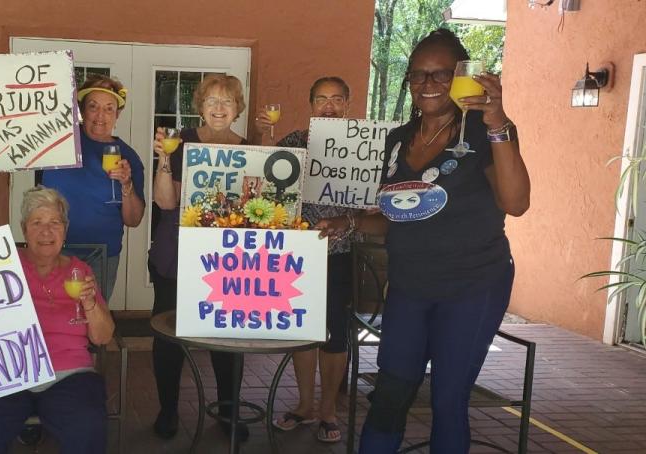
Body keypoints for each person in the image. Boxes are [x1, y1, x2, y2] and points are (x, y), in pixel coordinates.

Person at [317, 29, 529, 453]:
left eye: (441, 74)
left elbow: (517, 203)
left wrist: (498, 124)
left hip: (472, 285)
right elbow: (398, 217)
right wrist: (351, 223)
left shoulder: (487, 133)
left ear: (462, 77)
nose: (428, 84)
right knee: (391, 394)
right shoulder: (396, 142)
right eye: (418, 75)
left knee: (449, 399)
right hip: (411, 285)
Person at [0, 47, 145, 300]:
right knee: (47, 320)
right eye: (93, 106)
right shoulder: (56, 140)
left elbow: (134, 219)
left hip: (101, 256)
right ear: (82, 110)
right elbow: (5, 117)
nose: (100, 115)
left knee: (93, 326)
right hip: (49, 248)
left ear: (118, 114)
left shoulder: (129, 157)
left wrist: (126, 185)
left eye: (109, 108)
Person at [0, 186, 115, 454]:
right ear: (24, 229)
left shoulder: (80, 270)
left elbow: (103, 337)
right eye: (37, 222)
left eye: (54, 222)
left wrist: (89, 304)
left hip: (69, 375)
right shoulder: (1, 264)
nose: (46, 231)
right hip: (8, 374)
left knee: (88, 428)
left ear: (65, 229)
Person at [148, 74, 251, 441]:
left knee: (227, 338)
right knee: (168, 334)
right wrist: (163, 159)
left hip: (228, 258)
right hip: (177, 252)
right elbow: (165, 202)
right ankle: (168, 411)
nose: (219, 108)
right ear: (201, 107)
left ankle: (228, 412)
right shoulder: (182, 143)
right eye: (212, 101)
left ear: (237, 108)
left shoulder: (249, 147)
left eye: (227, 101)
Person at [256, 76, 358, 443]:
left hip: (342, 253)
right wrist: (266, 139)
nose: (328, 106)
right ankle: (304, 405)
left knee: (334, 337)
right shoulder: (296, 141)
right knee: (302, 332)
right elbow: (268, 178)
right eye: (321, 99)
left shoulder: (364, 145)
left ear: (347, 103)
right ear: (311, 104)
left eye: (336, 99)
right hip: (299, 255)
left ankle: (328, 410)